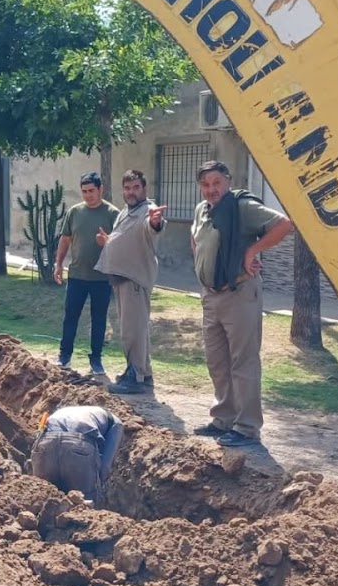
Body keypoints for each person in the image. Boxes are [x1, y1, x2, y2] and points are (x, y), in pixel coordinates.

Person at [190, 160, 293, 448]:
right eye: (206, 185)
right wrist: (203, 268)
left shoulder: (241, 206)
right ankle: (224, 418)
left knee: (243, 361)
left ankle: (247, 427)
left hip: (239, 293)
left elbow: (283, 224)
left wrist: (252, 251)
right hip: (212, 296)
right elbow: (195, 239)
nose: (211, 189)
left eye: (216, 183)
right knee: (218, 361)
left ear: (227, 181)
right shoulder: (202, 210)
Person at [93, 169, 167, 395]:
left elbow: (152, 227)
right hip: (121, 278)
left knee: (131, 332)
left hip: (134, 279)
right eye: (127, 188)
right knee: (136, 330)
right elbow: (125, 238)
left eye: (136, 187)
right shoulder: (126, 212)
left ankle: (135, 377)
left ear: (144, 189)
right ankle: (143, 375)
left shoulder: (147, 211)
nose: (131, 192)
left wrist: (156, 222)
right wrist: (109, 241)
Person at [54, 172, 120, 375]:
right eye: (84, 191)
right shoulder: (74, 212)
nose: (88, 195)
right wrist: (58, 264)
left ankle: (96, 360)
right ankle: (64, 356)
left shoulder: (112, 213)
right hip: (77, 276)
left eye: (92, 191)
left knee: (99, 319)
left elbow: (121, 244)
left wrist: (107, 241)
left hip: (101, 277)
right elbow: (65, 239)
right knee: (70, 317)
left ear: (101, 189)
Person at [29, 405, 124, 506]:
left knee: (43, 501)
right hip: (78, 445)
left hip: (45, 443)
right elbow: (105, 466)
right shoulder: (116, 423)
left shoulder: (62, 411)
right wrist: (97, 485)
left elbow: (37, 439)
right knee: (84, 504)